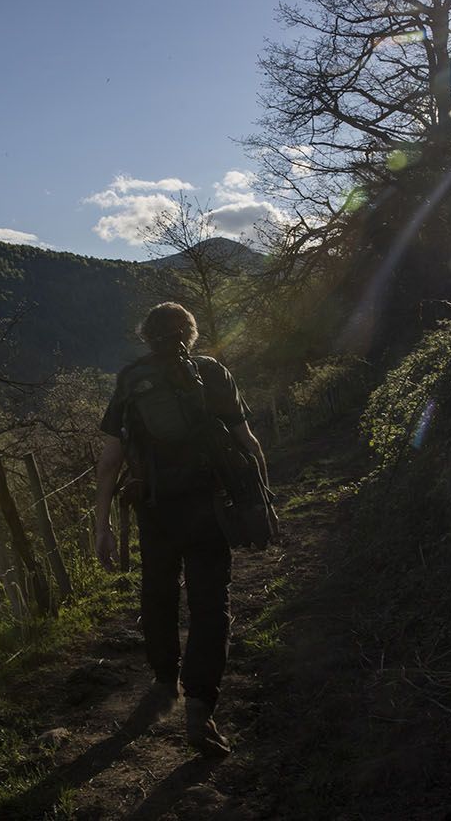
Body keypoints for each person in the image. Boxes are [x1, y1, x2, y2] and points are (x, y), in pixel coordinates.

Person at [93, 302, 268, 758]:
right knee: (211, 601)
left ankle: (163, 679)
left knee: (158, 592)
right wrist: (264, 500)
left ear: (146, 336)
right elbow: (247, 442)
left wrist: (102, 525)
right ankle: (199, 705)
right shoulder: (212, 372)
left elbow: (110, 460)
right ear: (190, 334)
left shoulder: (131, 379)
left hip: (155, 509)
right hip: (209, 508)